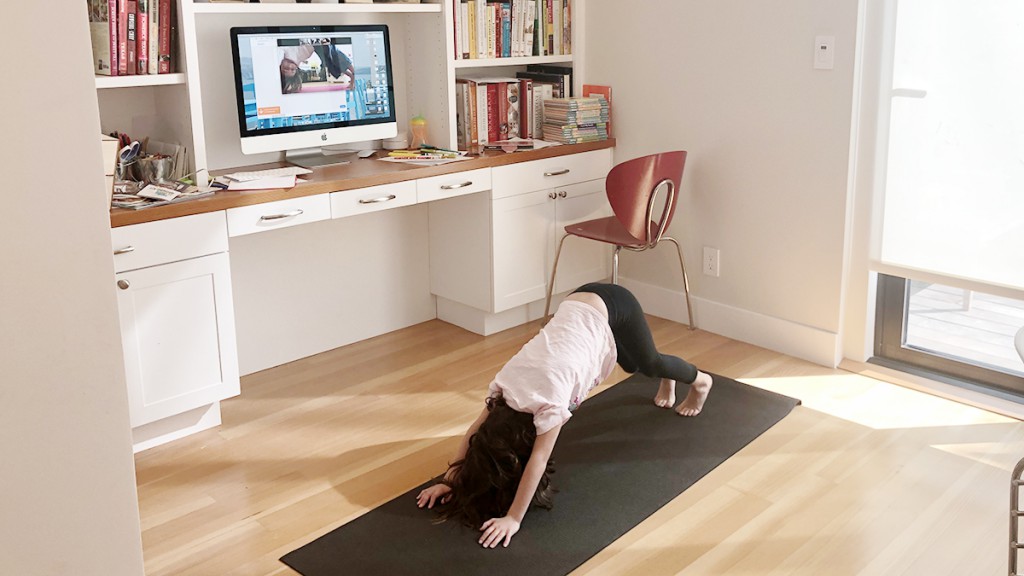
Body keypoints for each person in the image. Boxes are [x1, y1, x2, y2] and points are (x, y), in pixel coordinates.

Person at [415, 282, 713, 548]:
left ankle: (699, 381)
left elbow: (538, 460)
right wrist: (450, 481)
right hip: (578, 304)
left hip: (613, 304)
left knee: (648, 363)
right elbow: (474, 432)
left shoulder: (549, 405)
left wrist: (514, 518)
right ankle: (664, 374)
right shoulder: (504, 388)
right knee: (631, 365)